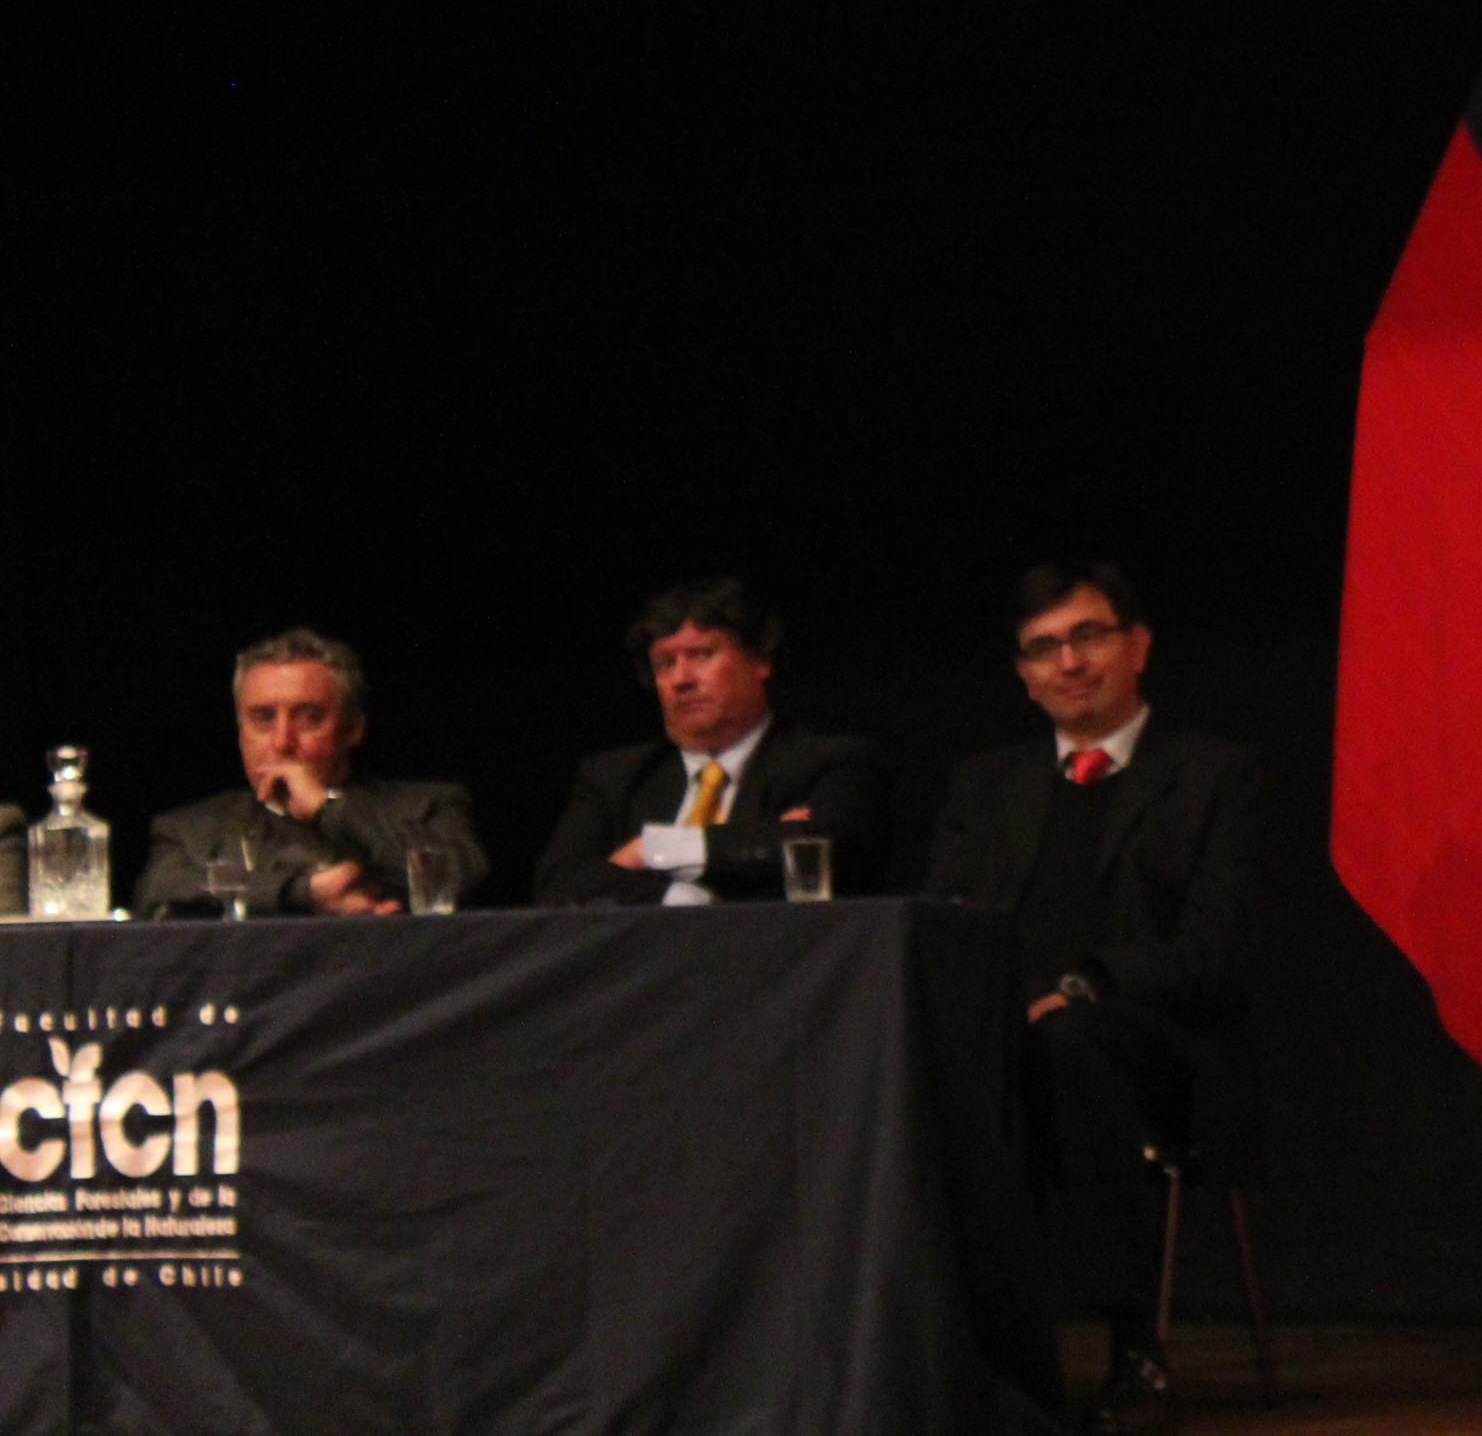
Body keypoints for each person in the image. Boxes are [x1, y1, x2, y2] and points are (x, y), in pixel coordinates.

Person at [925, 560, 1261, 1431]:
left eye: (1088, 636)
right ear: (1023, 677)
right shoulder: (985, 785)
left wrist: (1083, 987)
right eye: (1043, 648)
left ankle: (1133, 1344)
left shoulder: (1212, 775)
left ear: (1138, 646)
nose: (1068, 662)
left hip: (1159, 1046)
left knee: (1069, 1044)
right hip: (1011, 1035)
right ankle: (944, 1353)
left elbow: (1213, 949)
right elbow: (948, 926)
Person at [533, 576, 889, 905]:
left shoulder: (832, 761)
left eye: (702, 654)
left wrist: (652, 851)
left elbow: (829, 848)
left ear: (760, 661)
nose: (681, 679)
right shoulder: (614, 777)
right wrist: (679, 895)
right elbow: (559, 883)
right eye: (664, 664)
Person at [136, 627, 490, 919]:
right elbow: (158, 897)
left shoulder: (429, 805)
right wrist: (300, 893)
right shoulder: (190, 830)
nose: (282, 741)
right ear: (240, 731)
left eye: (309, 717)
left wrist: (328, 806)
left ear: (353, 729)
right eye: (262, 718)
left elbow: (461, 877)